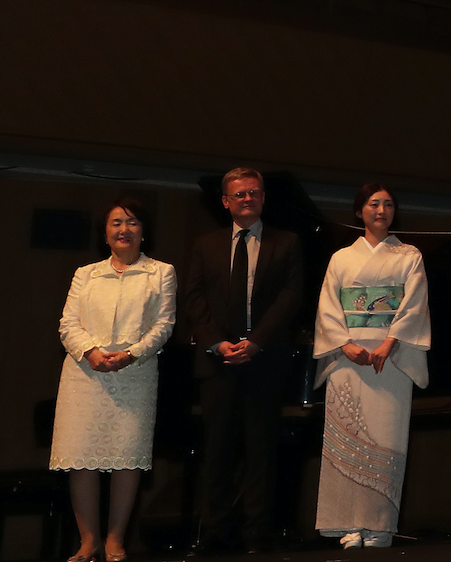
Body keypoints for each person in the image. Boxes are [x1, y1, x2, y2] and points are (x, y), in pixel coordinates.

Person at [181, 168, 305, 555]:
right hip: (217, 363)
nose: (247, 199)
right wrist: (216, 343)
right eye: (239, 194)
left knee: (260, 452)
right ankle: (216, 532)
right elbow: (194, 299)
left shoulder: (288, 243)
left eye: (253, 193)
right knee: (215, 452)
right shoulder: (206, 244)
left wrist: (257, 342)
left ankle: (257, 534)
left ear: (264, 198)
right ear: (225, 202)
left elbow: (291, 296)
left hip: (263, 360)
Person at [51, 198, 176, 562]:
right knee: (81, 456)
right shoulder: (85, 273)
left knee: (127, 456)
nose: (125, 229)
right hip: (84, 374)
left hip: (135, 372)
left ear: (144, 231)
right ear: (105, 234)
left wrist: (132, 353)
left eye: (133, 222)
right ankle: (88, 541)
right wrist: (90, 352)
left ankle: (115, 539)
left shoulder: (161, 272)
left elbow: (164, 324)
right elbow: (67, 323)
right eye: (117, 223)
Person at [314, 184, 431, 549]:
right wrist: (344, 343)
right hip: (348, 356)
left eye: (389, 204)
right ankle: (349, 524)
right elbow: (328, 307)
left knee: (385, 436)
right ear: (359, 211)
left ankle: (380, 525)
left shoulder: (409, 256)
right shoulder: (340, 258)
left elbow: (413, 304)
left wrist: (389, 342)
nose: (381, 210)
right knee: (348, 438)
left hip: (390, 357)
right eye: (373, 204)